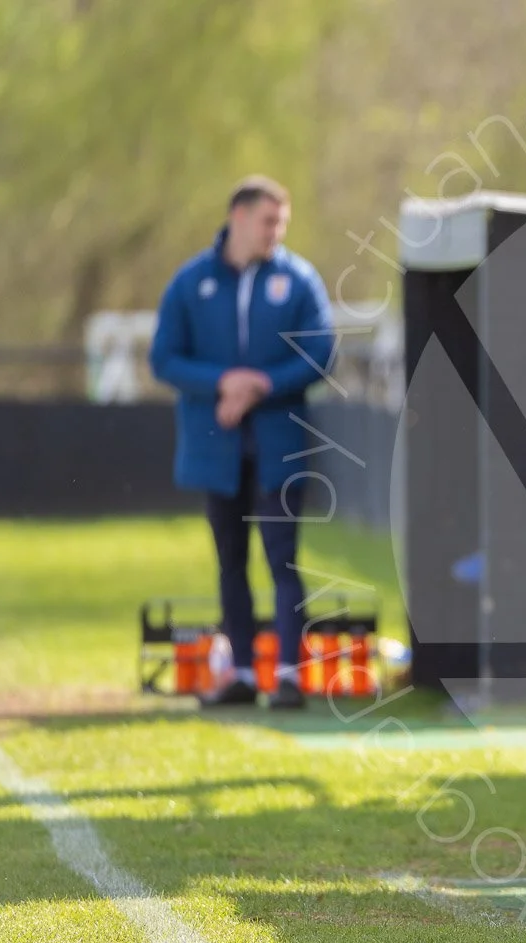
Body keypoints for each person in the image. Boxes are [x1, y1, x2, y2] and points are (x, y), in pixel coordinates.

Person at [149, 175, 335, 710]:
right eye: (268, 221)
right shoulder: (191, 283)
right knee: (231, 559)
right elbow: (164, 358)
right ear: (238, 217)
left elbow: (321, 352)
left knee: (283, 558)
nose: (275, 232)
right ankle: (245, 675)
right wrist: (222, 383)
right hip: (217, 445)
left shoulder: (298, 280)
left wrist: (262, 385)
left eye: (282, 223)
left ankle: (290, 675)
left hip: (280, 445)